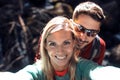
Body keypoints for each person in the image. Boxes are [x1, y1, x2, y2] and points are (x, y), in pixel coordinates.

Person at [0, 16, 120, 80]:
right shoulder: (37, 71)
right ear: (45, 46)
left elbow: (101, 73)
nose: (60, 51)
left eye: (66, 43)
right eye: (53, 44)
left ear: (74, 43)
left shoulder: (83, 68)